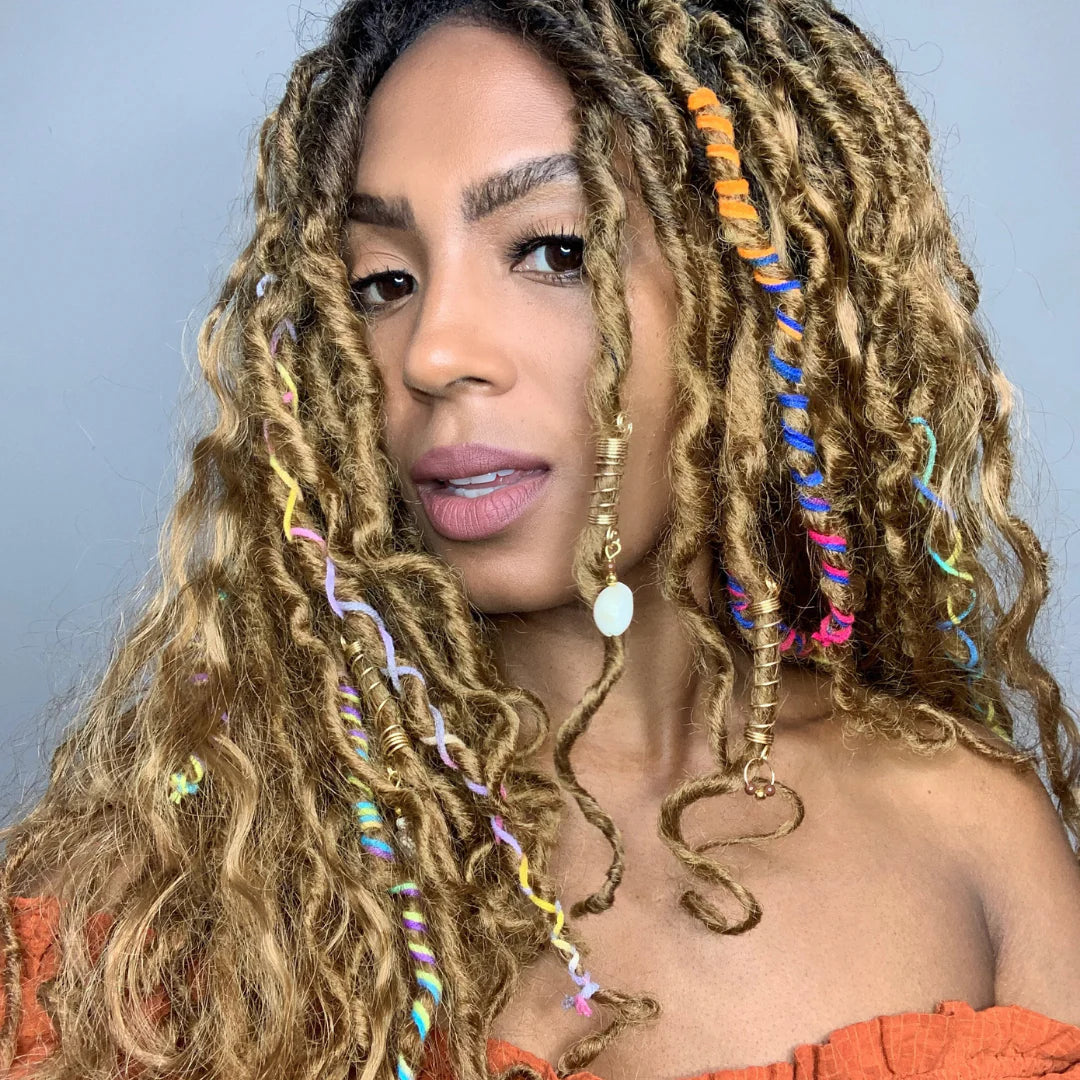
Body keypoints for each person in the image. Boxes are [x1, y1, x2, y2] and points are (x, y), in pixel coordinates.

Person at [2, 1, 1079, 1079]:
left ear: (753, 298)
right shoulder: (172, 888)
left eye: (556, 251)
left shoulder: (971, 835)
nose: (433, 352)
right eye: (384, 283)